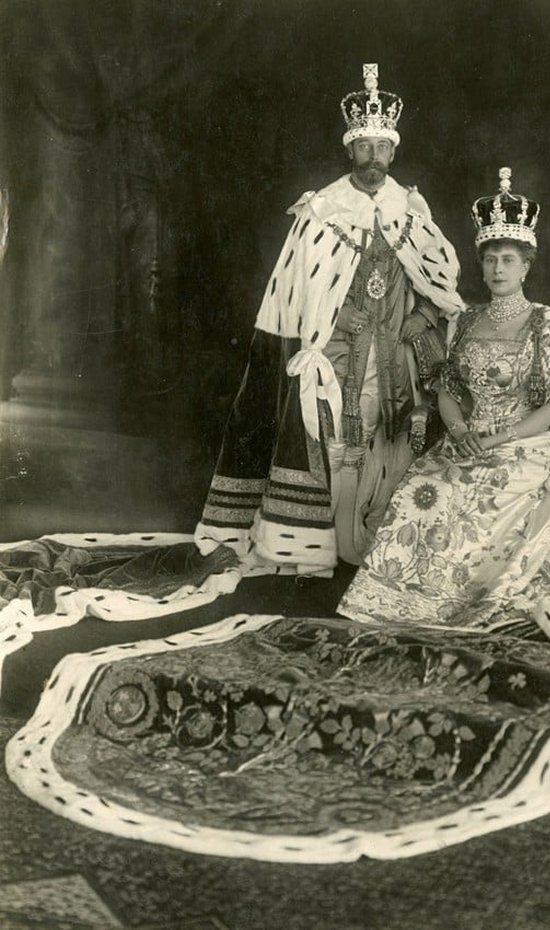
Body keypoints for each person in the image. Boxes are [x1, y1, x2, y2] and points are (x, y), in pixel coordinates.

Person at [338, 168, 550, 665]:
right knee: (423, 486)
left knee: (478, 496)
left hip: (524, 441)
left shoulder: (543, 324)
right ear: (481, 265)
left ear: (525, 267)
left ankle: (468, 604)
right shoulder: (467, 320)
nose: (498, 269)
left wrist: (501, 437)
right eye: (491, 259)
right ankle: (405, 602)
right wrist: (459, 430)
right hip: (468, 436)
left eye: (508, 260)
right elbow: (448, 389)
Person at [194, 63, 464, 574]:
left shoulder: (409, 209)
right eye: (364, 147)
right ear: (350, 150)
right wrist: (335, 322)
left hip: (395, 352)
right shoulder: (322, 211)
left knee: (389, 438)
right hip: (337, 352)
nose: (373, 157)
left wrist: (426, 315)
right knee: (336, 440)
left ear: (393, 152)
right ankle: (322, 543)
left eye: (382, 148)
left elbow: (437, 277)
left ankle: (376, 538)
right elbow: (299, 291)